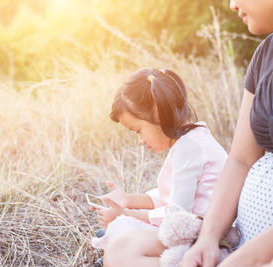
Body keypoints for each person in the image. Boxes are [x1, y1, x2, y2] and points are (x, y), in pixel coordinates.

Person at [103, 0, 273, 266]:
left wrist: (251, 256)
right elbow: (240, 160)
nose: (233, 4)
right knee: (122, 250)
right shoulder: (266, 54)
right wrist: (209, 239)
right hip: (238, 238)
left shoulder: (191, 145)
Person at [89, 68, 228, 265]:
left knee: (125, 227)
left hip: (208, 236)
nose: (140, 140)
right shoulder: (191, 139)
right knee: (123, 228)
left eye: (138, 130)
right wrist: (129, 200)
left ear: (158, 113)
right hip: (195, 227)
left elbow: (177, 217)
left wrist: (127, 213)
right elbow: (169, 196)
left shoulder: (189, 148)